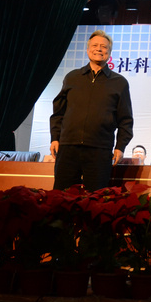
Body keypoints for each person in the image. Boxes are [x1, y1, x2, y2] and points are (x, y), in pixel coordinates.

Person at [50, 30, 134, 191]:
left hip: (100, 150)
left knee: (96, 198)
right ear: (88, 50)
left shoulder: (119, 82)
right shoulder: (72, 77)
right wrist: (55, 138)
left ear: (109, 52)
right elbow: (58, 112)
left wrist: (120, 146)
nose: (99, 49)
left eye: (104, 46)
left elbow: (126, 119)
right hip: (68, 147)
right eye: (95, 45)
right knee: (62, 196)